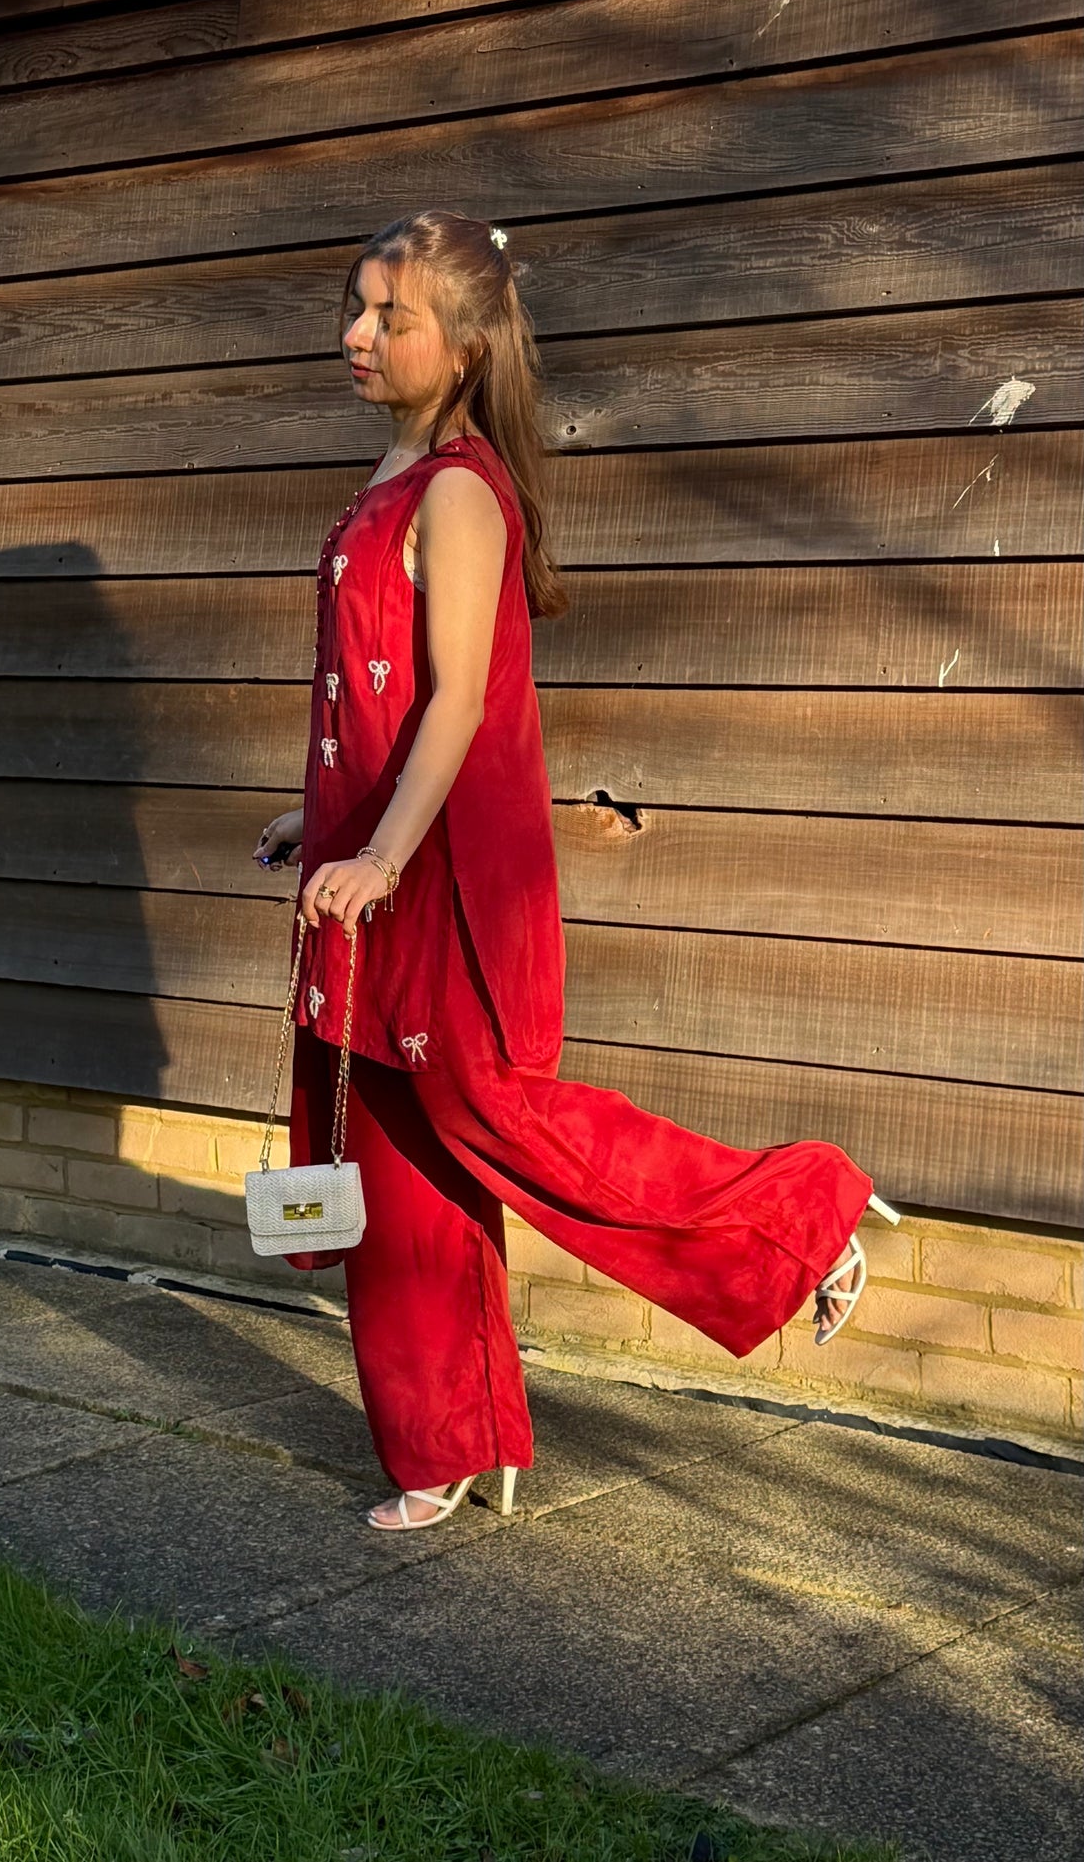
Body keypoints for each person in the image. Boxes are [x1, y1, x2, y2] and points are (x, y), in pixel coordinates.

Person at [253, 210, 897, 1534]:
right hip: (375, 869)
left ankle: (799, 1218)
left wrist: (380, 851)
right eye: (354, 307)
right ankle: (444, 1441)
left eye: (390, 316)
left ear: (466, 347)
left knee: (503, 1117)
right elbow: (375, 696)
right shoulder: (391, 470)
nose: (357, 334)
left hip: (444, 886)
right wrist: (318, 822)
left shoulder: (456, 490)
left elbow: (458, 701)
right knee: (400, 1165)